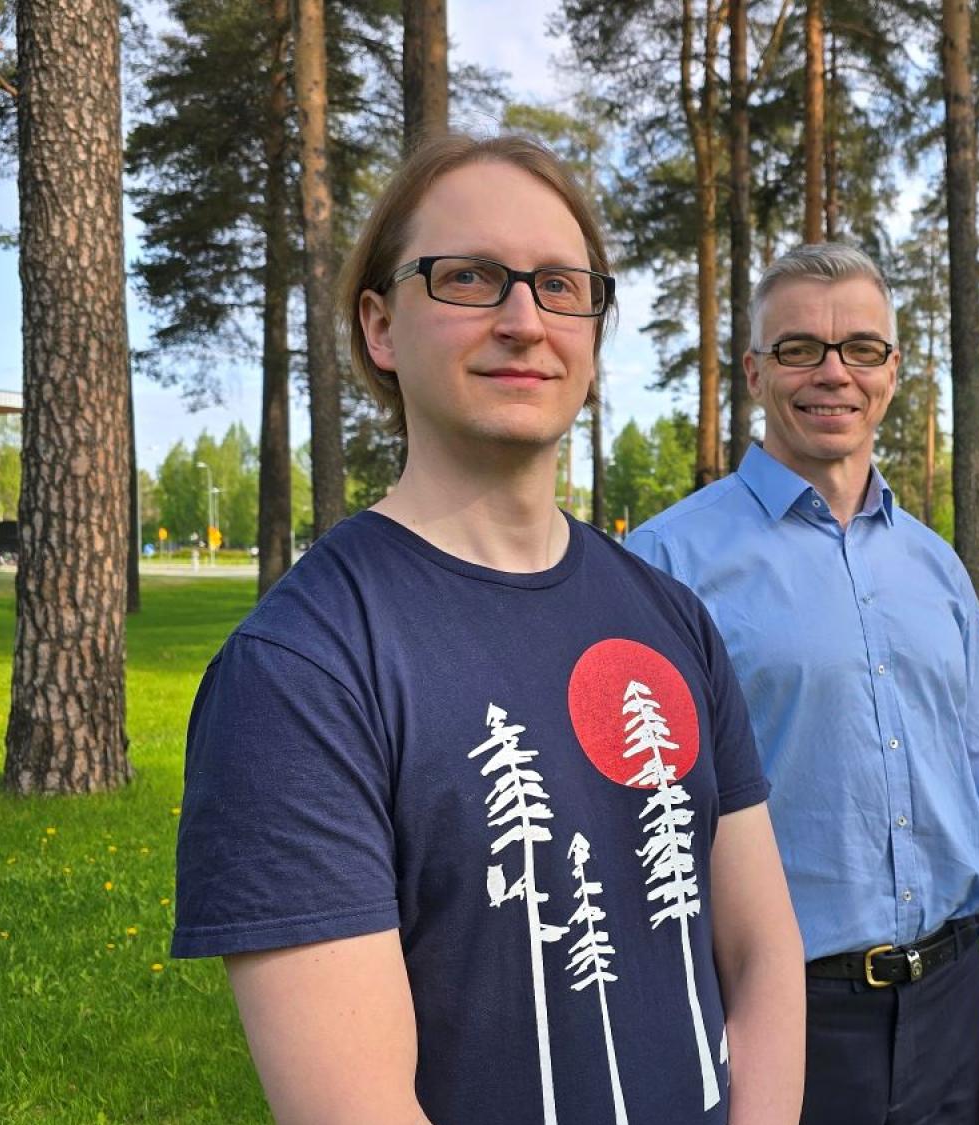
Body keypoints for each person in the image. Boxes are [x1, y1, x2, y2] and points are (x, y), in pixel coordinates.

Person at [171, 133, 805, 1125]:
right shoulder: (297, 672)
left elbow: (762, 952)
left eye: (560, 285)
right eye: (468, 277)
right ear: (380, 326)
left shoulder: (671, 618)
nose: (524, 320)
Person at [629, 243, 979, 1125]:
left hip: (945, 1004)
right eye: (800, 348)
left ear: (892, 372)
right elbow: (637, 821)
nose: (834, 372)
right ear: (755, 371)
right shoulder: (665, 566)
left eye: (861, 348)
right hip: (776, 1013)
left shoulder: (937, 567)